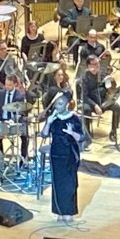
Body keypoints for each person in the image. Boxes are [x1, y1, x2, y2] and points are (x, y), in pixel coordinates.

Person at [40, 93, 84, 222]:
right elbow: (44, 134)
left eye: (60, 104)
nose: (57, 107)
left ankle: (69, 211)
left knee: (69, 185)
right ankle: (59, 211)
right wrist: (48, 123)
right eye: (56, 104)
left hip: (69, 155)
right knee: (57, 184)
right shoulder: (53, 119)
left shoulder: (74, 119)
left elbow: (82, 137)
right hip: (56, 154)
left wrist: (71, 133)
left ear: (67, 105)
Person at [77, 55, 120, 142]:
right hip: (90, 101)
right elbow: (84, 96)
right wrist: (95, 105)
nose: (97, 66)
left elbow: (110, 88)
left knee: (116, 107)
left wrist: (111, 83)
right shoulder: (84, 78)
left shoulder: (103, 74)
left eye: (98, 64)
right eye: (94, 64)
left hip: (102, 99)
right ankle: (87, 134)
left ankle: (113, 131)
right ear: (89, 66)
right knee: (86, 109)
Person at [0, 73, 29, 158]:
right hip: (2, 120)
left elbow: (20, 112)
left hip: (14, 120)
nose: (7, 87)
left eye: (9, 85)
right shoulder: (0, 94)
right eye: (6, 84)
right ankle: (0, 157)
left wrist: (12, 120)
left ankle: (23, 157)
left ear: (15, 84)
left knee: (25, 136)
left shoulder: (19, 96)